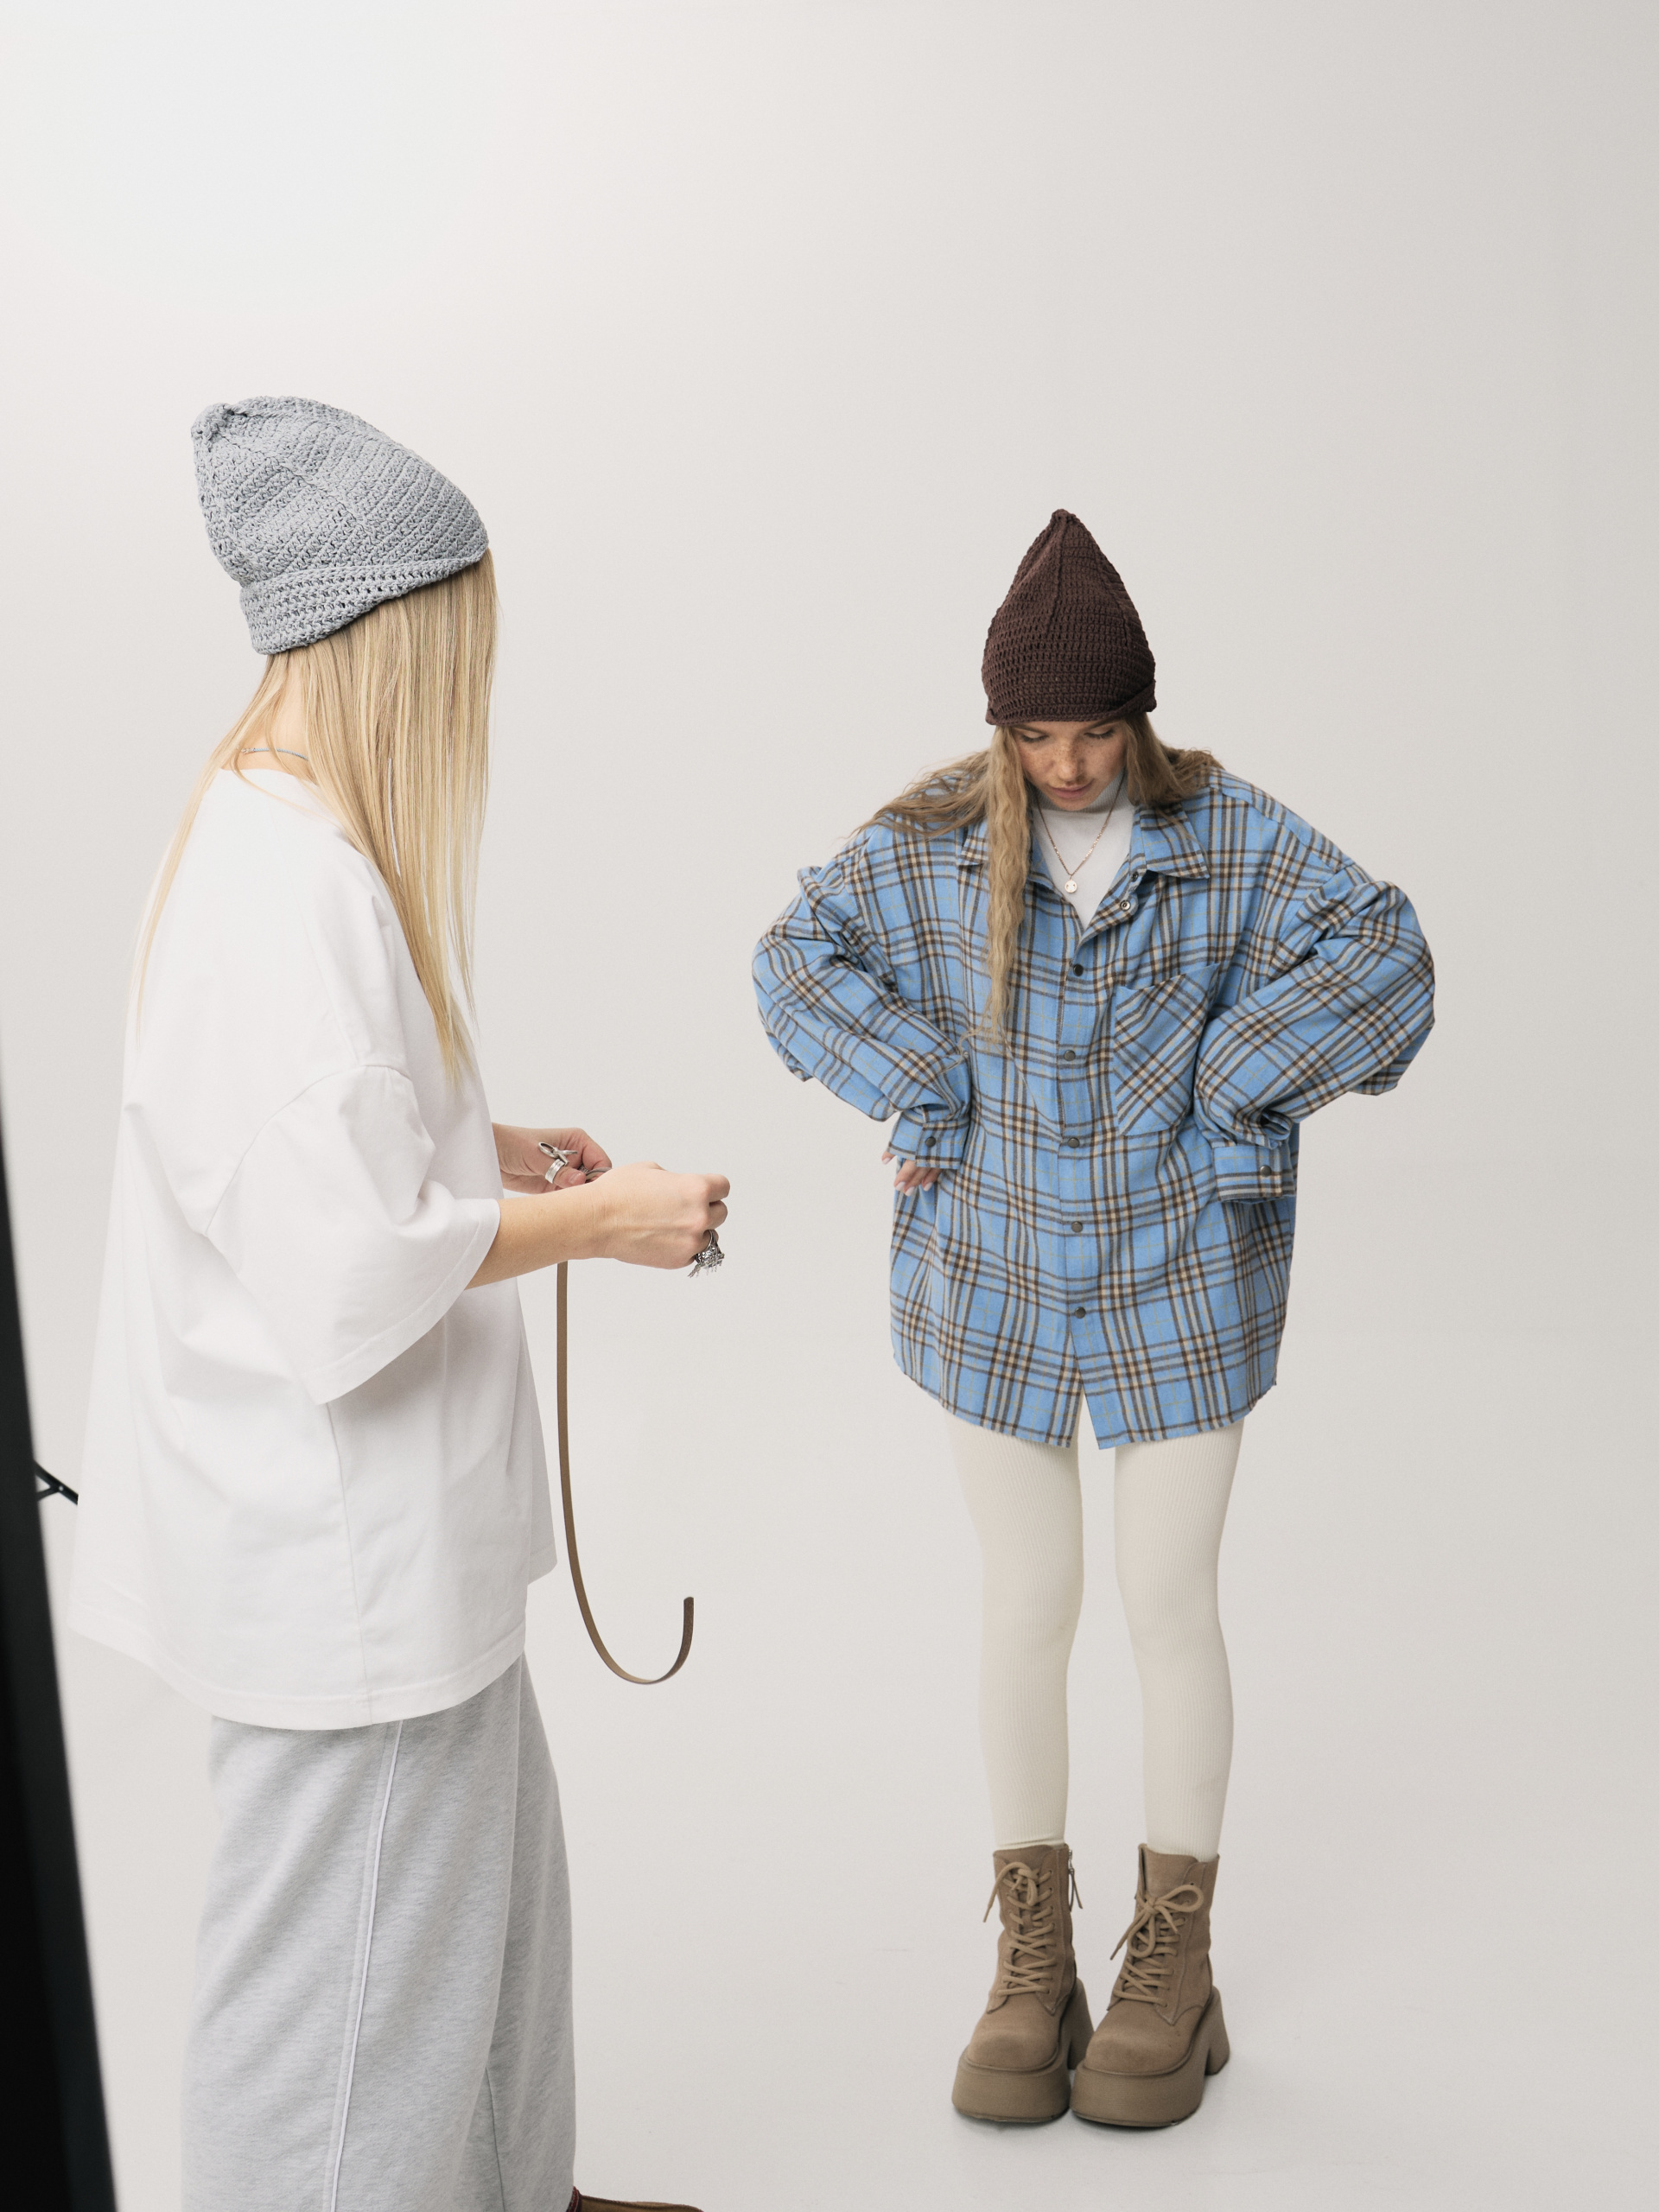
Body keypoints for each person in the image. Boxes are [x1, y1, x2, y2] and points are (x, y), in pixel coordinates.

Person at [69, 396, 724, 2212]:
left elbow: (307, 1147)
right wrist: (598, 1220)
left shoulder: (277, 831)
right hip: (335, 1563)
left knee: (483, 1916)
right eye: (463, 640)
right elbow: (347, 1259)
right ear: (394, 634)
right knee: (339, 1997)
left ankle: (514, 2193)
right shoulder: (282, 891)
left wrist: (478, 1141)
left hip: (394, 1542)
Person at [753, 510, 1433, 2131]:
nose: (1066, 765)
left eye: (1096, 732)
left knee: (1166, 1602)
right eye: (1037, 735)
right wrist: (920, 1083)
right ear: (1001, 727)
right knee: (1028, 1605)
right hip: (991, 1276)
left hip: (1183, 1274)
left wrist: (1236, 1079)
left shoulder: (1233, 834)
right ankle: (1032, 1957)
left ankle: (1174, 1964)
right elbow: (792, 962)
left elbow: (1388, 954)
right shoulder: (928, 840)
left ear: (1141, 716)